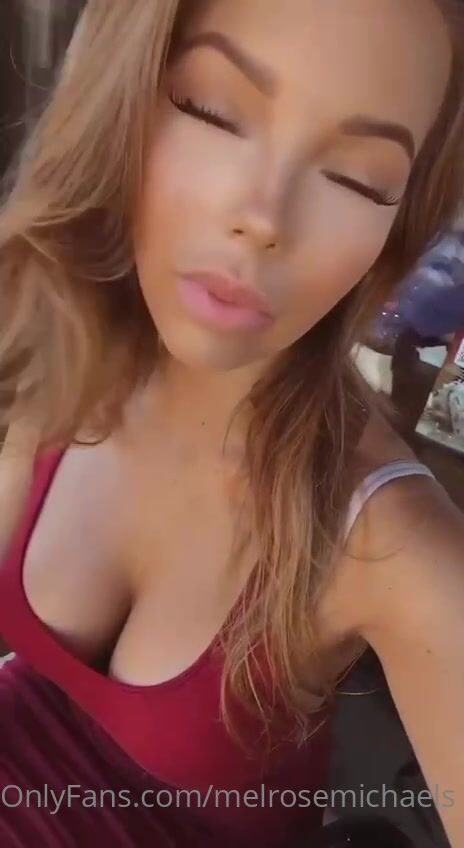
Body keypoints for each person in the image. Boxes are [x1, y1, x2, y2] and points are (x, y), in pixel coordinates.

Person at [0, 1, 463, 846]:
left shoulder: (394, 547)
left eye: (358, 178)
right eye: (213, 110)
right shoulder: (46, 341)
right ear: (122, 92)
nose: (265, 218)